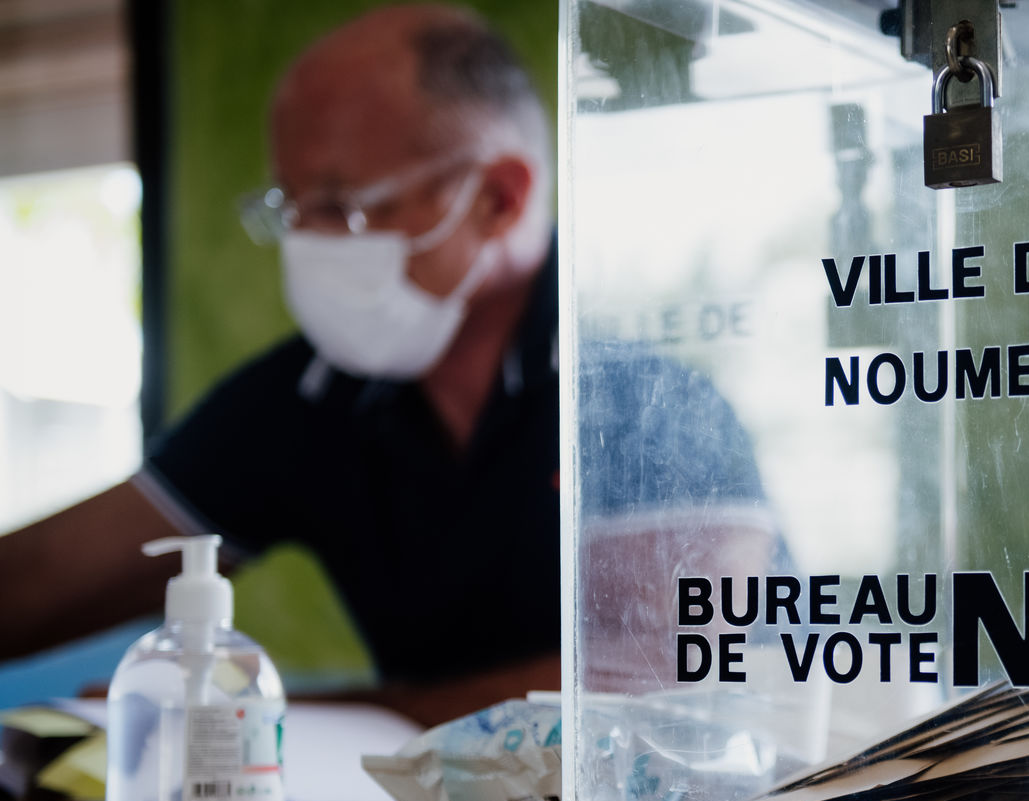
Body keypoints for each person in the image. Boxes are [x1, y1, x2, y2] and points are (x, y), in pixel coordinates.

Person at [0, 4, 778, 725]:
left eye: (339, 206)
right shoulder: (313, 397)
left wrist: (290, 717)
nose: (305, 244)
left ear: (498, 198)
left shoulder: (648, 392)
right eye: (289, 208)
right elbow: (39, 580)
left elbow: (676, 681)